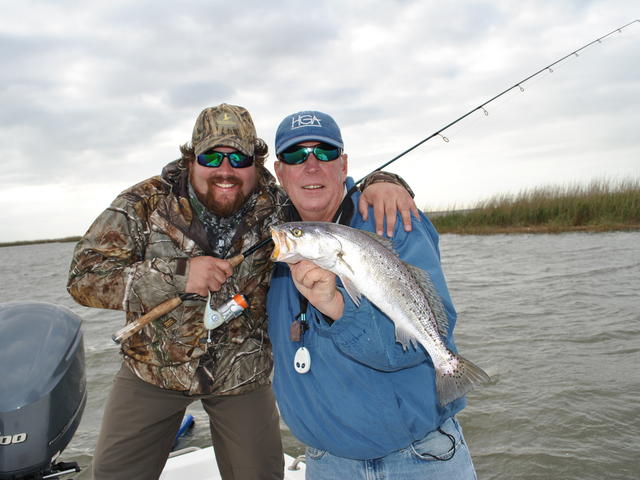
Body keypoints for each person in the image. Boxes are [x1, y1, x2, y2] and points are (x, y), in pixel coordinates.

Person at [67, 103, 417, 480]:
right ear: (191, 159)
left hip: (243, 371)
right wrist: (179, 275)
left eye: (240, 157)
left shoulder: (279, 205)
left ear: (258, 163)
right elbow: (84, 278)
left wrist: (386, 181)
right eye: (212, 156)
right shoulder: (144, 203)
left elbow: (328, 196)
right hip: (153, 370)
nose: (226, 169)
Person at [267, 110, 479, 479]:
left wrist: (336, 307)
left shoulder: (392, 218)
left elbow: (405, 350)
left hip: (417, 460)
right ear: (279, 171)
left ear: (343, 163)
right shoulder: (272, 238)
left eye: (325, 153)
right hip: (324, 463)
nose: (311, 165)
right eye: (296, 156)